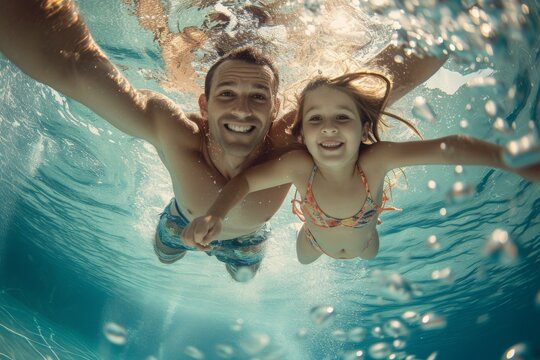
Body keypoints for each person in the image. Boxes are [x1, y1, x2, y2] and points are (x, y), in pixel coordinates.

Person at [0, 0, 446, 281]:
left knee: (243, 277)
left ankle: (238, 264)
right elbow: (77, 66)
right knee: (164, 257)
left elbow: (394, 75)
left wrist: (453, 21)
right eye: (227, 94)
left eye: (258, 97)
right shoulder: (171, 132)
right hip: (180, 221)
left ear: (276, 109)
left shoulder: (295, 141)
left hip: (250, 236)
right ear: (203, 103)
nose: (241, 110)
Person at [182, 71, 540, 264]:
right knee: (305, 260)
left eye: (342, 117)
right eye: (316, 119)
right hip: (314, 240)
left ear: (363, 128)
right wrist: (216, 213)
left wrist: (518, 163)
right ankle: (269, 244)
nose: (329, 127)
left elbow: (453, 148)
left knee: (367, 252)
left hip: (366, 239)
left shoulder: (377, 159)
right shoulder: (297, 166)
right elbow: (243, 183)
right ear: (302, 134)